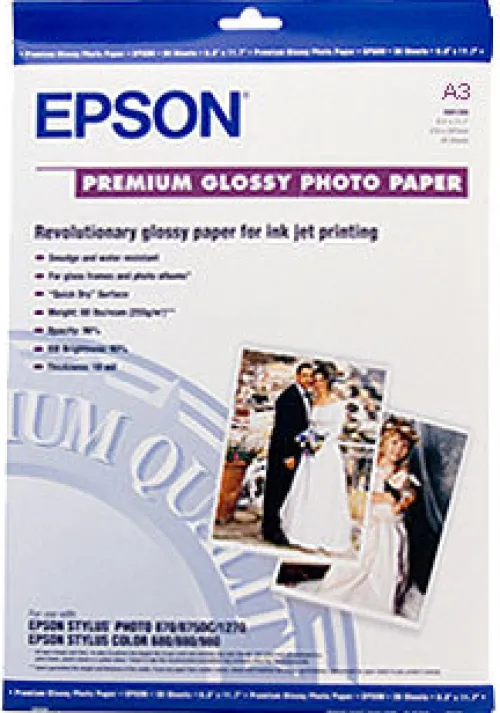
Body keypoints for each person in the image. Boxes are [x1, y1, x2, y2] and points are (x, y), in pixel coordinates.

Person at [299, 416, 420, 615]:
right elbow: (359, 494)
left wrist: (405, 499)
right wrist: (383, 497)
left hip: (387, 527)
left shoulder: (402, 474)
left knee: (386, 566)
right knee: (354, 565)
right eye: (394, 443)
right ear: (383, 442)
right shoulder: (371, 468)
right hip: (368, 521)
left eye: (404, 446)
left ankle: (378, 600)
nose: (398, 450)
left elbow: (404, 498)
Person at [280, 364, 353, 554]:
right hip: (309, 453)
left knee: (324, 491)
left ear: (328, 381)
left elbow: (336, 430)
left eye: (321, 380)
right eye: (315, 380)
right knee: (306, 490)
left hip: (326, 452)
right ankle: (301, 533)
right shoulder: (312, 400)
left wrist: (321, 443)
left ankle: (322, 535)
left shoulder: (337, 403)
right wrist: (307, 440)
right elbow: (309, 426)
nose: (317, 383)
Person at [262, 362, 314, 546]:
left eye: (311, 376)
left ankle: (275, 526)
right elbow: (283, 429)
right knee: (276, 490)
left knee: (284, 490)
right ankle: (271, 530)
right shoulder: (288, 397)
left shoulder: (306, 397)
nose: (308, 379)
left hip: (296, 451)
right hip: (284, 453)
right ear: (297, 376)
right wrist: (288, 455)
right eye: (305, 375)